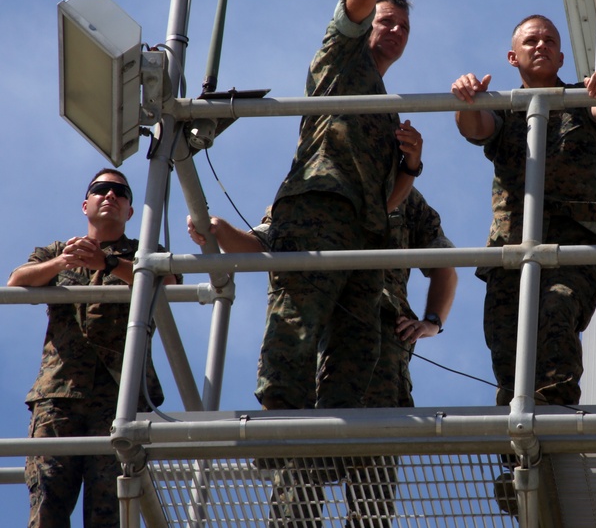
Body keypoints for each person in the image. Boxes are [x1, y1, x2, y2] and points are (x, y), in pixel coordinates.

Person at [188, 186, 456, 527]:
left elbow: (444, 265)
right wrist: (217, 230)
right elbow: (258, 248)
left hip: (378, 338)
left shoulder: (403, 194)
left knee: (372, 453)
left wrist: (432, 322)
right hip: (309, 334)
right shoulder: (304, 188)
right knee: (299, 454)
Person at [256, 0, 423, 416]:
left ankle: (333, 443)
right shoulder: (340, 58)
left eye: (403, 26)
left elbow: (392, 199)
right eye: (386, 21)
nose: (395, 30)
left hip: (368, 230)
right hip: (319, 210)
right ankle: (280, 432)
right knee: (297, 327)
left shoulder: (388, 109)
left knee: (359, 348)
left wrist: (412, 167)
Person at [451, 14, 596, 408]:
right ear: (513, 58)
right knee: (504, 339)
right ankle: (516, 454)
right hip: (512, 247)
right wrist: (466, 99)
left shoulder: (583, 97)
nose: (541, 45)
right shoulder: (505, 108)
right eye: (531, 41)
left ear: (561, 57)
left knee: (557, 310)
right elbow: (476, 128)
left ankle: (555, 422)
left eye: (549, 40)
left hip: (576, 242)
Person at [9, 169, 176, 528]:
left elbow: (171, 281)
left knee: (109, 511)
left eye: (120, 192)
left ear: (130, 211)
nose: (110, 196)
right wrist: (64, 263)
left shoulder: (146, 254)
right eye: (101, 189)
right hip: (58, 396)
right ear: (86, 204)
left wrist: (108, 264)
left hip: (120, 397)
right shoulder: (57, 251)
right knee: (47, 508)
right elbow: (17, 281)